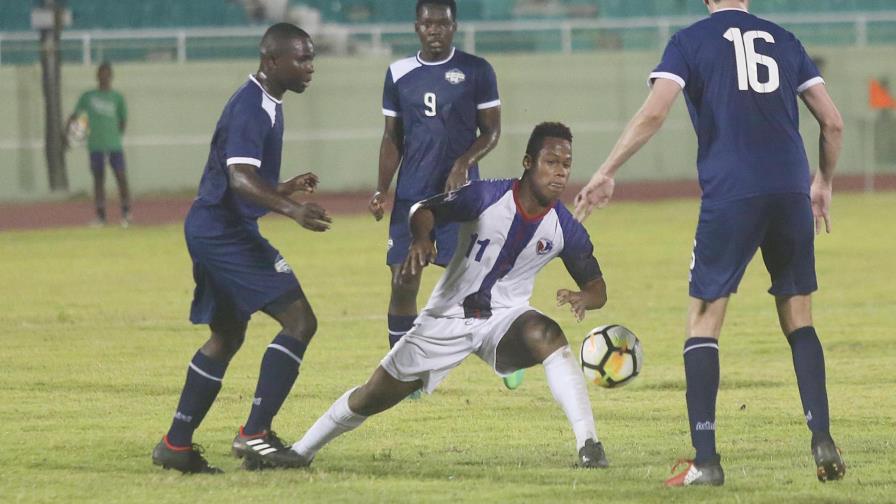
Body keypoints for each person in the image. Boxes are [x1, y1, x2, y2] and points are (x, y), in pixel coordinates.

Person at [573, 0, 845, 487]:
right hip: (789, 189)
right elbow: (833, 122)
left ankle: (706, 460)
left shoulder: (689, 41)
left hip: (732, 192)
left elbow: (655, 113)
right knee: (799, 315)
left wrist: (607, 170)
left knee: (704, 318)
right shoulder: (784, 39)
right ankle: (821, 435)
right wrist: (822, 181)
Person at [254, 122, 611, 469]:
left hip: (505, 318)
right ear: (528, 163)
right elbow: (423, 209)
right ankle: (300, 452)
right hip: (446, 318)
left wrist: (584, 297)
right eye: (551, 162)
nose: (560, 172)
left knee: (547, 334)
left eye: (566, 164)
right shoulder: (487, 195)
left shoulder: (565, 228)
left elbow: (598, 287)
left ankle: (589, 444)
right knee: (373, 395)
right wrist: (424, 238)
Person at [151, 23, 332, 474]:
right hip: (223, 232)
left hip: (215, 226)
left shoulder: (267, 101)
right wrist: (291, 210)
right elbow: (238, 179)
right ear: (272, 62)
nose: (310, 67)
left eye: (311, 58)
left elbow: (244, 178)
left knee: (227, 335)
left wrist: (284, 188)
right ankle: (254, 435)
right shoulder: (252, 106)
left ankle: (175, 445)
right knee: (299, 320)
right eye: (302, 59)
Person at [367, 0, 517, 390]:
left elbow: (492, 132)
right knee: (403, 281)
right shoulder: (399, 73)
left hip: (460, 198)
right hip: (412, 197)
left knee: (477, 287)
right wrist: (382, 189)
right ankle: (400, 377)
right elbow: (392, 137)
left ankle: (508, 353)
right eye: (428, 24)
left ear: (454, 26)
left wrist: (463, 162)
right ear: (417, 26)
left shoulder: (477, 70)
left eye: (443, 24)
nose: (435, 30)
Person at [66, 62, 131, 227]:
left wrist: (114, 135)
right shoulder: (88, 96)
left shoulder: (117, 97)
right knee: (98, 180)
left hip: (114, 146)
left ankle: (126, 213)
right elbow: (75, 116)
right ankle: (101, 217)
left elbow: (123, 121)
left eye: (107, 73)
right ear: (97, 76)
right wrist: (71, 134)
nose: (104, 76)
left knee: (121, 177)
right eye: (101, 73)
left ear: (111, 76)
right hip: (95, 146)